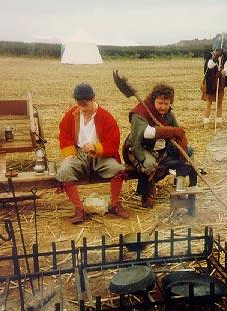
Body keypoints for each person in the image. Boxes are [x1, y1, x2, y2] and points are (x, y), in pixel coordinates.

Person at [55, 83, 129, 223]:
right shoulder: (72, 114)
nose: (81, 106)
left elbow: (113, 141)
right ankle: (79, 209)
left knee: (118, 169)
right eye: (79, 103)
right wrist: (70, 152)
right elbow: (64, 134)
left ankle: (115, 204)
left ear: (93, 99)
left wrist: (96, 147)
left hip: (101, 156)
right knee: (64, 171)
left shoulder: (106, 117)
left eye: (85, 103)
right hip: (79, 154)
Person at [123, 83, 197, 209]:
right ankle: (147, 193)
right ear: (154, 100)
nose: (163, 107)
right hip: (139, 148)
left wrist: (182, 144)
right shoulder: (140, 112)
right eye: (160, 103)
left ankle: (181, 186)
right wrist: (172, 131)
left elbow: (178, 132)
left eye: (166, 104)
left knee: (188, 152)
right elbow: (147, 133)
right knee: (150, 165)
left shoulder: (168, 114)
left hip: (160, 148)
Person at [202, 48, 227, 128]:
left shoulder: (225, 56)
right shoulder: (209, 55)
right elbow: (209, 65)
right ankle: (206, 122)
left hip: (220, 83)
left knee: (219, 102)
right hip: (210, 83)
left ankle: (218, 122)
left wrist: (223, 71)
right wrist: (215, 57)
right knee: (209, 102)